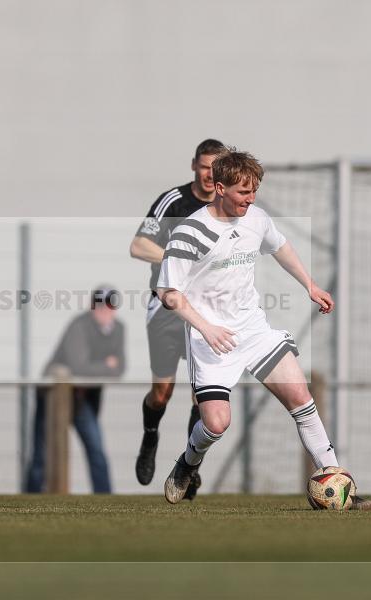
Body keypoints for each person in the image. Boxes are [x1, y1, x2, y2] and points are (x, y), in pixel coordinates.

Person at [156, 149, 371, 510]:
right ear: (220, 188)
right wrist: (207, 328)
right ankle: (188, 463)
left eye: (254, 190)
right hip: (211, 340)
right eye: (244, 192)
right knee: (216, 424)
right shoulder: (190, 231)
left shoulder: (256, 218)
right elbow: (168, 293)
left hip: (254, 330)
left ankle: (340, 486)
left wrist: (310, 285)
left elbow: (281, 246)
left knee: (301, 398)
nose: (251, 199)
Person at [129, 139, 227, 500]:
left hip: (207, 313)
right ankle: (150, 436)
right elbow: (138, 245)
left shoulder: (227, 208)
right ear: (193, 166)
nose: (209, 174)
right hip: (167, 307)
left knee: (203, 398)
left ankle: (189, 467)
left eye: (215, 168)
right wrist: (178, 259)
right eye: (204, 166)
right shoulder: (174, 201)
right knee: (162, 393)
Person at [25, 287, 126, 494]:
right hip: (54, 396)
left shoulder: (118, 329)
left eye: (110, 306)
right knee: (42, 454)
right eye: (101, 305)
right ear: (93, 307)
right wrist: (107, 365)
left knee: (96, 450)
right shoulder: (79, 325)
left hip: (83, 398)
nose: (105, 311)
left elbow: (120, 368)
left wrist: (101, 368)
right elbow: (78, 367)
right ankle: (30, 497)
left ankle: (106, 500)